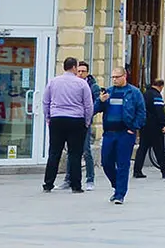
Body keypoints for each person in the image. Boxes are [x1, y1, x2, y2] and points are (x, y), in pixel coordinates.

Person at [41, 56, 93, 194]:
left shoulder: (53, 82)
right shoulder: (82, 84)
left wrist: (48, 117)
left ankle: (48, 183)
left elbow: (45, 101)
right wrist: (87, 121)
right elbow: (88, 105)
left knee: (54, 152)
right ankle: (76, 185)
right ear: (75, 68)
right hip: (76, 120)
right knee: (75, 153)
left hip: (57, 119)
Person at [96, 66, 146, 204]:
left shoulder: (134, 92)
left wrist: (134, 127)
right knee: (106, 162)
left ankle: (120, 194)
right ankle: (116, 185)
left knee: (123, 164)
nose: (114, 80)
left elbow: (141, 112)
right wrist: (101, 101)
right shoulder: (109, 92)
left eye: (117, 77)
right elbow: (95, 109)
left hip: (125, 133)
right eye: (112, 77)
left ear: (125, 76)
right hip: (109, 133)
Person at [60, 61, 102, 191]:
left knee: (86, 150)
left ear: (87, 73)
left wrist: (88, 115)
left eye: (83, 71)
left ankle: (90, 179)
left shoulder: (92, 86)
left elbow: (96, 104)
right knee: (71, 151)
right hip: (73, 120)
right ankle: (68, 179)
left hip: (85, 122)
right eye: (78, 71)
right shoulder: (72, 83)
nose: (80, 73)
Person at [134, 79, 165, 179]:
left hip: (144, 125)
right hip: (155, 126)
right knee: (159, 149)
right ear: (161, 86)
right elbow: (160, 111)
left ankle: (137, 170)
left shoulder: (145, 94)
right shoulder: (156, 95)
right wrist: (164, 124)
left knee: (142, 148)